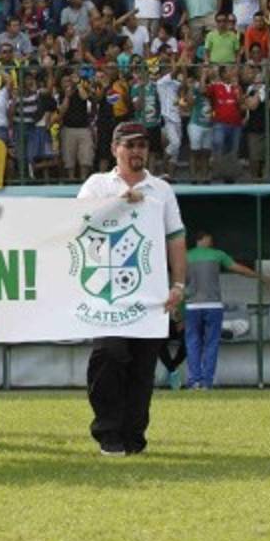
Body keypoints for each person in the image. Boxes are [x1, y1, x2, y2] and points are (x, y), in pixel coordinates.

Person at [76, 122, 187, 456]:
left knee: (142, 368)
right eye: (130, 145)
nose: (137, 151)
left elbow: (176, 238)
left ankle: (133, 436)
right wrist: (120, 201)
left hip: (149, 294)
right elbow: (77, 223)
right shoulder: (96, 185)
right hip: (106, 292)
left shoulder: (162, 190)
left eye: (142, 145)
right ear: (114, 149)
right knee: (108, 356)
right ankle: (107, 431)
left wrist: (178, 284)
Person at [184, 231, 259, 390]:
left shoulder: (185, 256)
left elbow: (177, 281)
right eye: (210, 240)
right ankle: (207, 383)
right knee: (211, 344)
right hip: (213, 305)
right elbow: (237, 268)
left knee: (192, 343)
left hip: (191, 305)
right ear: (203, 239)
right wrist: (257, 275)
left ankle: (194, 381)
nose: (211, 243)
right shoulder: (217, 254)